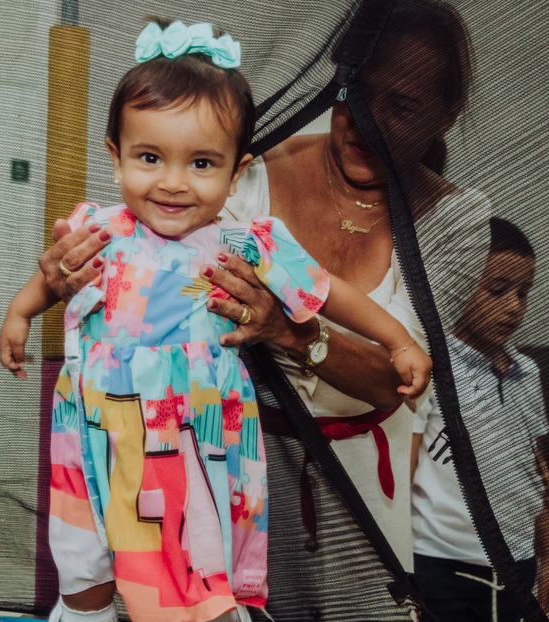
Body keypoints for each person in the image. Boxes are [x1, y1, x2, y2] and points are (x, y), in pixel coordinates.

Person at [0, 20, 431, 622]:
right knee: (84, 570)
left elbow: (329, 292)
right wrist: (20, 313)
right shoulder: (97, 229)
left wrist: (397, 339)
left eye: (201, 163)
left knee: (207, 579)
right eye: (149, 157)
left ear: (237, 172)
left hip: (189, 447)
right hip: (91, 441)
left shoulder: (244, 243)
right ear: (115, 155)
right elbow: (49, 278)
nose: (172, 182)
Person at [40, 0, 491, 576]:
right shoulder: (245, 174)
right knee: (212, 600)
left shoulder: (456, 218)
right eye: (355, 94)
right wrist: (77, 275)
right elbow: (154, 256)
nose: (366, 122)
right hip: (221, 455)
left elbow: (394, 379)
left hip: (360, 491)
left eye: (400, 107)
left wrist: (288, 330)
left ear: (445, 115)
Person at [410, 217, 549, 622]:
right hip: (439, 564)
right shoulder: (429, 364)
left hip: (513, 568)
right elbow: (404, 471)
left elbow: (538, 474)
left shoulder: (528, 373)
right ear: (459, 285)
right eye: (497, 289)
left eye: (524, 292)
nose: (514, 306)